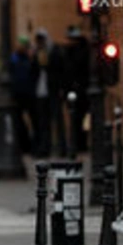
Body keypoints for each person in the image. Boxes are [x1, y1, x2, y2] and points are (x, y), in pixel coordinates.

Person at [30, 28, 68, 159]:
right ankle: (44, 148)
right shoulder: (36, 53)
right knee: (43, 122)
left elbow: (62, 71)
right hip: (41, 91)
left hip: (53, 90)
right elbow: (33, 71)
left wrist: (62, 88)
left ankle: (62, 148)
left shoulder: (55, 51)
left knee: (58, 121)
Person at [64, 25, 91, 153]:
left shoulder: (82, 51)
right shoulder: (71, 52)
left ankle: (80, 143)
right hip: (75, 90)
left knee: (81, 119)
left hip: (81, 90)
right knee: (76, 118)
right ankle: (77, 143)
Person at [8, 34, 34, 155]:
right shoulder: (15, 58)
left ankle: (30, 145)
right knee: (18, 121)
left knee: (32, 120)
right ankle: (23, 145)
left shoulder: (28, 58)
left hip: (28, 93)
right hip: (19, 93)